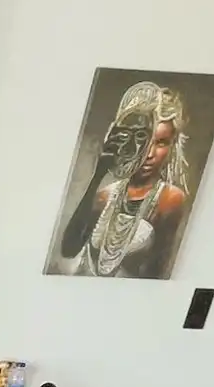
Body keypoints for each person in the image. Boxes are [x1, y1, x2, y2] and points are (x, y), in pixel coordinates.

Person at [57, 81, 192, 279]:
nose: (149, 153)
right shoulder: (106, 195)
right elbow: (68, 249)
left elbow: (158, 273)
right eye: (141, 139)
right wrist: (99, 174)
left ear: (173, 147)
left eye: (161, 142)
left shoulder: (170, 200)